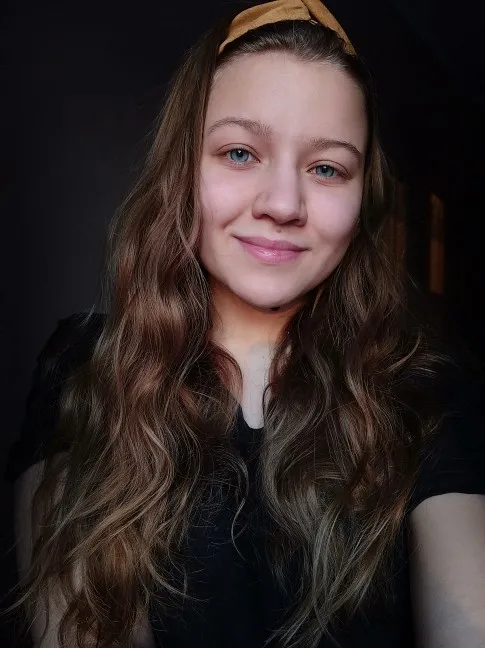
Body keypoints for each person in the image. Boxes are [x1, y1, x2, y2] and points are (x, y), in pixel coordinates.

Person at [3, 1, 485, 647]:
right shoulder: (85, 365)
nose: (283, 204)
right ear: (183, 169)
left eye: (326, 168)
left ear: (361, 196)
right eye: (239, 152)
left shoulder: (426, 390)